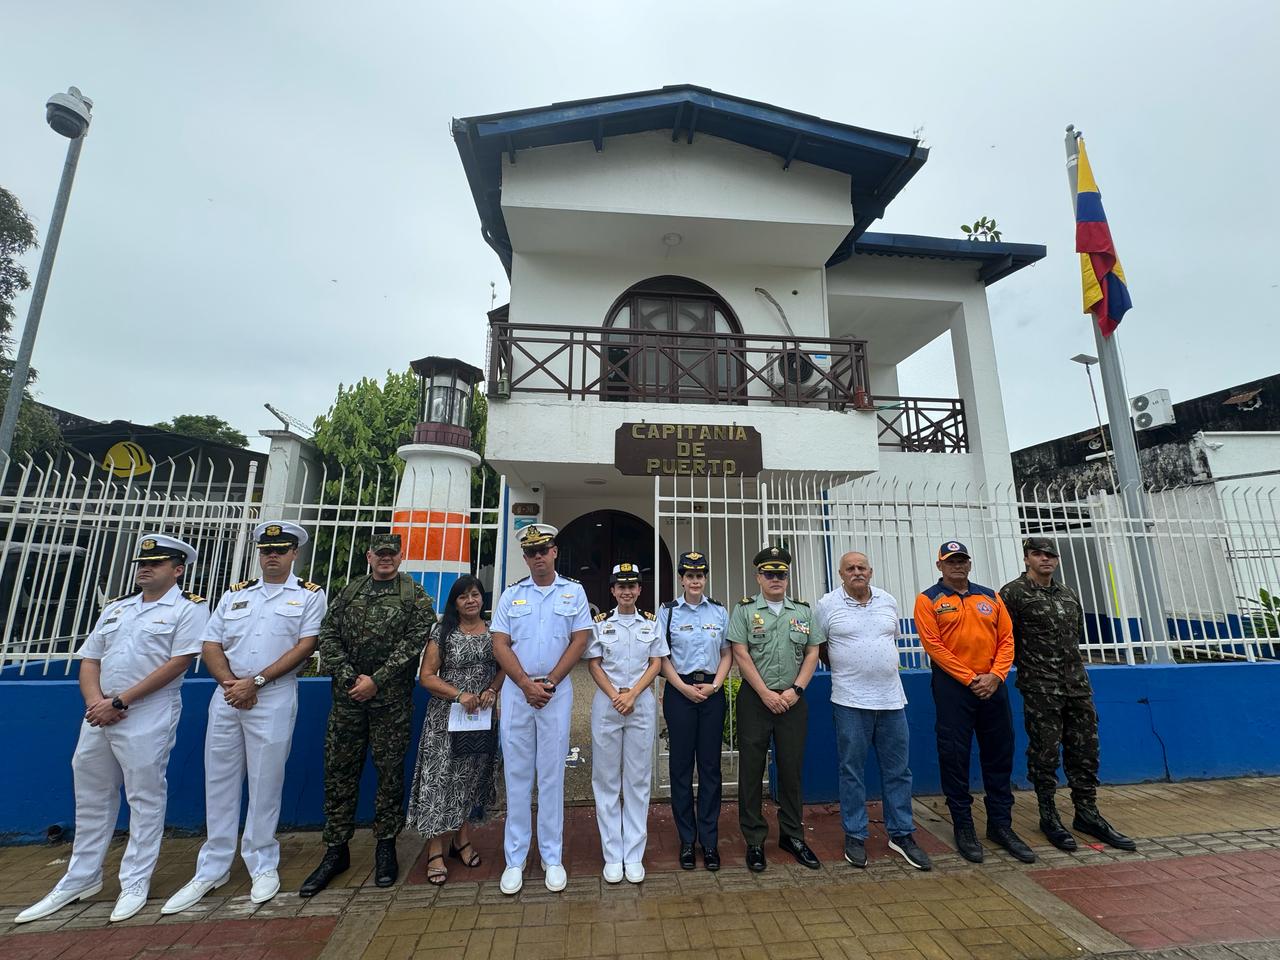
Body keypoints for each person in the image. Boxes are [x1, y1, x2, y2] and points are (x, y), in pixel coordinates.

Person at [16, 534, 208, 925]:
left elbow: (178, 663)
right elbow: (90, 658)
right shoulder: (118, 608)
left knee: (144, 795)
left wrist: (120, 702)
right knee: (90, 795)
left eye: (155, 563)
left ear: (178, 569)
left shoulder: (188, 610)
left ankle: (135, 881)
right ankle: (80, 877)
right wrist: (96, 704)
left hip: (147, 711)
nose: (145, 568)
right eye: (142, 562)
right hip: (99, 713)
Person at [163, 521, 326, 914]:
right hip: (228, 696)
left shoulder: (308, 595)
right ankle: (213, 866)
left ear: (293, 554)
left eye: (280, 549)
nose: (272, 555)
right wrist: (231, 683)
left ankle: (262, 861)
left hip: (271, 696)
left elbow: (307, 645)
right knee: (218, 780)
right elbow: (211, 643)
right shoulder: (235, 595)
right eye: (266, 549)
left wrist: (255, 682)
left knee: (267, 781)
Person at [299, 533, 436, 896]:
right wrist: (349, 677)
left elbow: (413, 644)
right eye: (380, 554)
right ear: (369, 555)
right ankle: (335, 848)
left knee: (389, 773)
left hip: (390, 702)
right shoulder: (349, 591)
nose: (386, 559)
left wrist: (376, 680)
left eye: (392, 554)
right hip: (347, 701)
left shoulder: (415, 596)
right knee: (340, 772)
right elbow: (326, 635)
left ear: (401, 556)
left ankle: (386, 845)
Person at [999, 537, 1136, 852]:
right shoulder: (1013, 594)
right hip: (1041, 688)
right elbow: (1006, 639)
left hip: (1077, 686)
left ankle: (1087, 812)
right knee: (1045, 753)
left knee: (1085, 750)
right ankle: (1049, 815)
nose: (1045, 559)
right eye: (1038, 554)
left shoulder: (1068, 593)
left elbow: (1075, 636)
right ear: (1027, 559)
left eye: (1050, 555)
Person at [915, 540, 1035, 865]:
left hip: (993, 687)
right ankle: (964, 826)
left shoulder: (990, 596)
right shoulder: (928, 600)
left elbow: (1007, 639)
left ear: (969, 563)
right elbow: (934, 647)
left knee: (999, 754)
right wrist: (970, 679)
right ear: (939, 565)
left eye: (962, 560)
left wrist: (996, 675)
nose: (958, 565)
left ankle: (1001, 826)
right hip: (954, 688)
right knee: (954, 756)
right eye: (951, 561)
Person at [490, 523, 593, 895]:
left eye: (543, 549)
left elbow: (580, 639)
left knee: (551, 776)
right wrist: (523, 683)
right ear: (525, 557)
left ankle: (552, 857)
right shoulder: (511, 595)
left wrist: (548, 681)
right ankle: (514, 859)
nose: (537, 557)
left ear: (554, 551)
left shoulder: (573, 592)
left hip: (555, 691)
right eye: (530, 552)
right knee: (517, 776)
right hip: (518, 693)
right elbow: (499, 642)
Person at [815, 551, 931, 872]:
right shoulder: (827, 605)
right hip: (850, 701)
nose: (856, 572)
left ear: (871, 571)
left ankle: (901, 834)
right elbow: (820, 646)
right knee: (851, 770)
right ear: (841, 574)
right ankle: (855, 834)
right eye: (850, 568)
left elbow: (888, 641)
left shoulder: (888, 601)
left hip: (892, 700)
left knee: (898, 771)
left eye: (861, 568)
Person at [727, 545, 823, 872]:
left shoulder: (803, 611)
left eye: (780, 573)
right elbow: (740, 653)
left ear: (787, 576)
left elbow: (812, 652)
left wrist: (796, 690)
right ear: (758, 577)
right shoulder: (744, 610)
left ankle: (793, 835)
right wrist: (766, 693)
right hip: (757, 699)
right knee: (751, 771)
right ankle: (754, 839)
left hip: (793, 700)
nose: (775, 579)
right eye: (769, 574)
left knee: (792, 769)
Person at [408, 574, 504, 886]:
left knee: (468, 779)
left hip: (480, 718)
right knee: (439, 780)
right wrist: (459, 695)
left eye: (475, 594)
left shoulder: (493, 631)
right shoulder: (442, 632)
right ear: (455, 602)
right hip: (446, 718)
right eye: (464, 596)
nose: (471, 601)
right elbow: (427, 676)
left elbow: (504, 666)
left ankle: (461, 839)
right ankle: (434, 849)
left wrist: (492, 689)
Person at [587, 562, 668, 884]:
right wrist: (615, 696)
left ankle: (633, 854)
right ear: (612, 590)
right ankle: (612, 854)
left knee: (637, 780)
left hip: (640, 703)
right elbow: (594, 664)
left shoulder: (650, 623)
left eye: (632, 586)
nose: (627, 591)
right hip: (608, 705)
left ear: (639, 590)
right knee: (606, 780)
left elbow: (656, 662)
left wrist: (632, 694)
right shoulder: (600, 623)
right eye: (621, 586)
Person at [657, 550, 730, 872]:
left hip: (712, 693)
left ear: (705, 578)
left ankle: (710, 842)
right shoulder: (668, 612)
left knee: (711, 768)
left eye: (700, 575)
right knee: (681, 768)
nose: (695, 580)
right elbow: (661, 657)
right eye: (689, 575)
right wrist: (683, 688)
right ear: (682, 579)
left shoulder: (719, 611)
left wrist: (715, 685)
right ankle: (687, 841)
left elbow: (728, 653)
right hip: (680, 691)